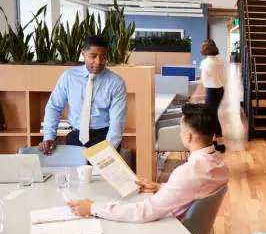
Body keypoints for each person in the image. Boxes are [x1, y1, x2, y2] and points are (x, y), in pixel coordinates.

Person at [68, 104, 229, 223]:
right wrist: (160, 187)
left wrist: (93, 208)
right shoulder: (220, 164)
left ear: (188, 137)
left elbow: (144, 212)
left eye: (180, 130)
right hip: (189, 230)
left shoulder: (189, 172)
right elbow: (194, 190)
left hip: (173, 233)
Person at [39, 36, 127, 155]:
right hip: (75, 136)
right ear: (83, 54)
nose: (98, 61)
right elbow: (54, 107)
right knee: (73, 173)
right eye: (93, 56)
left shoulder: (116, 82)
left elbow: (117, 120)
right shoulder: (69, 77)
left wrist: (109, 149)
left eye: (103, 56)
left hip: (104, 138)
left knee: (100, 174)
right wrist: (49, 137)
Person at [192, 39, 226, 153]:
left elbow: (203, 80)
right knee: (213, 115)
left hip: (212, 91)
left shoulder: (205, 62)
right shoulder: (220, 61)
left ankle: (219, 143)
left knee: (212, 116)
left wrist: (195, 95)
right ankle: (216, 141)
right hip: (220, 90)